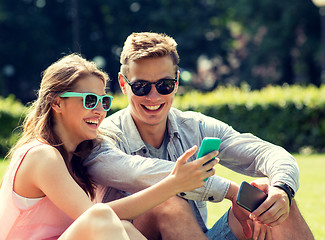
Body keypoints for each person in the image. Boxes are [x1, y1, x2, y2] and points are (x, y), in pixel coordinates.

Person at [86, 32, 314, 240]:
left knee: (267, 194)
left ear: (176, 82)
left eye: (164, 85)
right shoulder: (104, 136)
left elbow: (268, 153)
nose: (153, 96)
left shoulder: (195, 126)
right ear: (123, 85)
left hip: (195, 235)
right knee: (167, 200)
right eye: (141, 86)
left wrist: (282, 189)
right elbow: (142, 173)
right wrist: (231, 191)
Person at [0, 53, 218, 240]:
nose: (99, 111)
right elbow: (95, 218)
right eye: (89, 101)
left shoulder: (77, 158)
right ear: (57, 103)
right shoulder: (42, 155)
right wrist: (172, 184)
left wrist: (172, 185)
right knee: (101, 217)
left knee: (124, 226)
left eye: (103, 102)